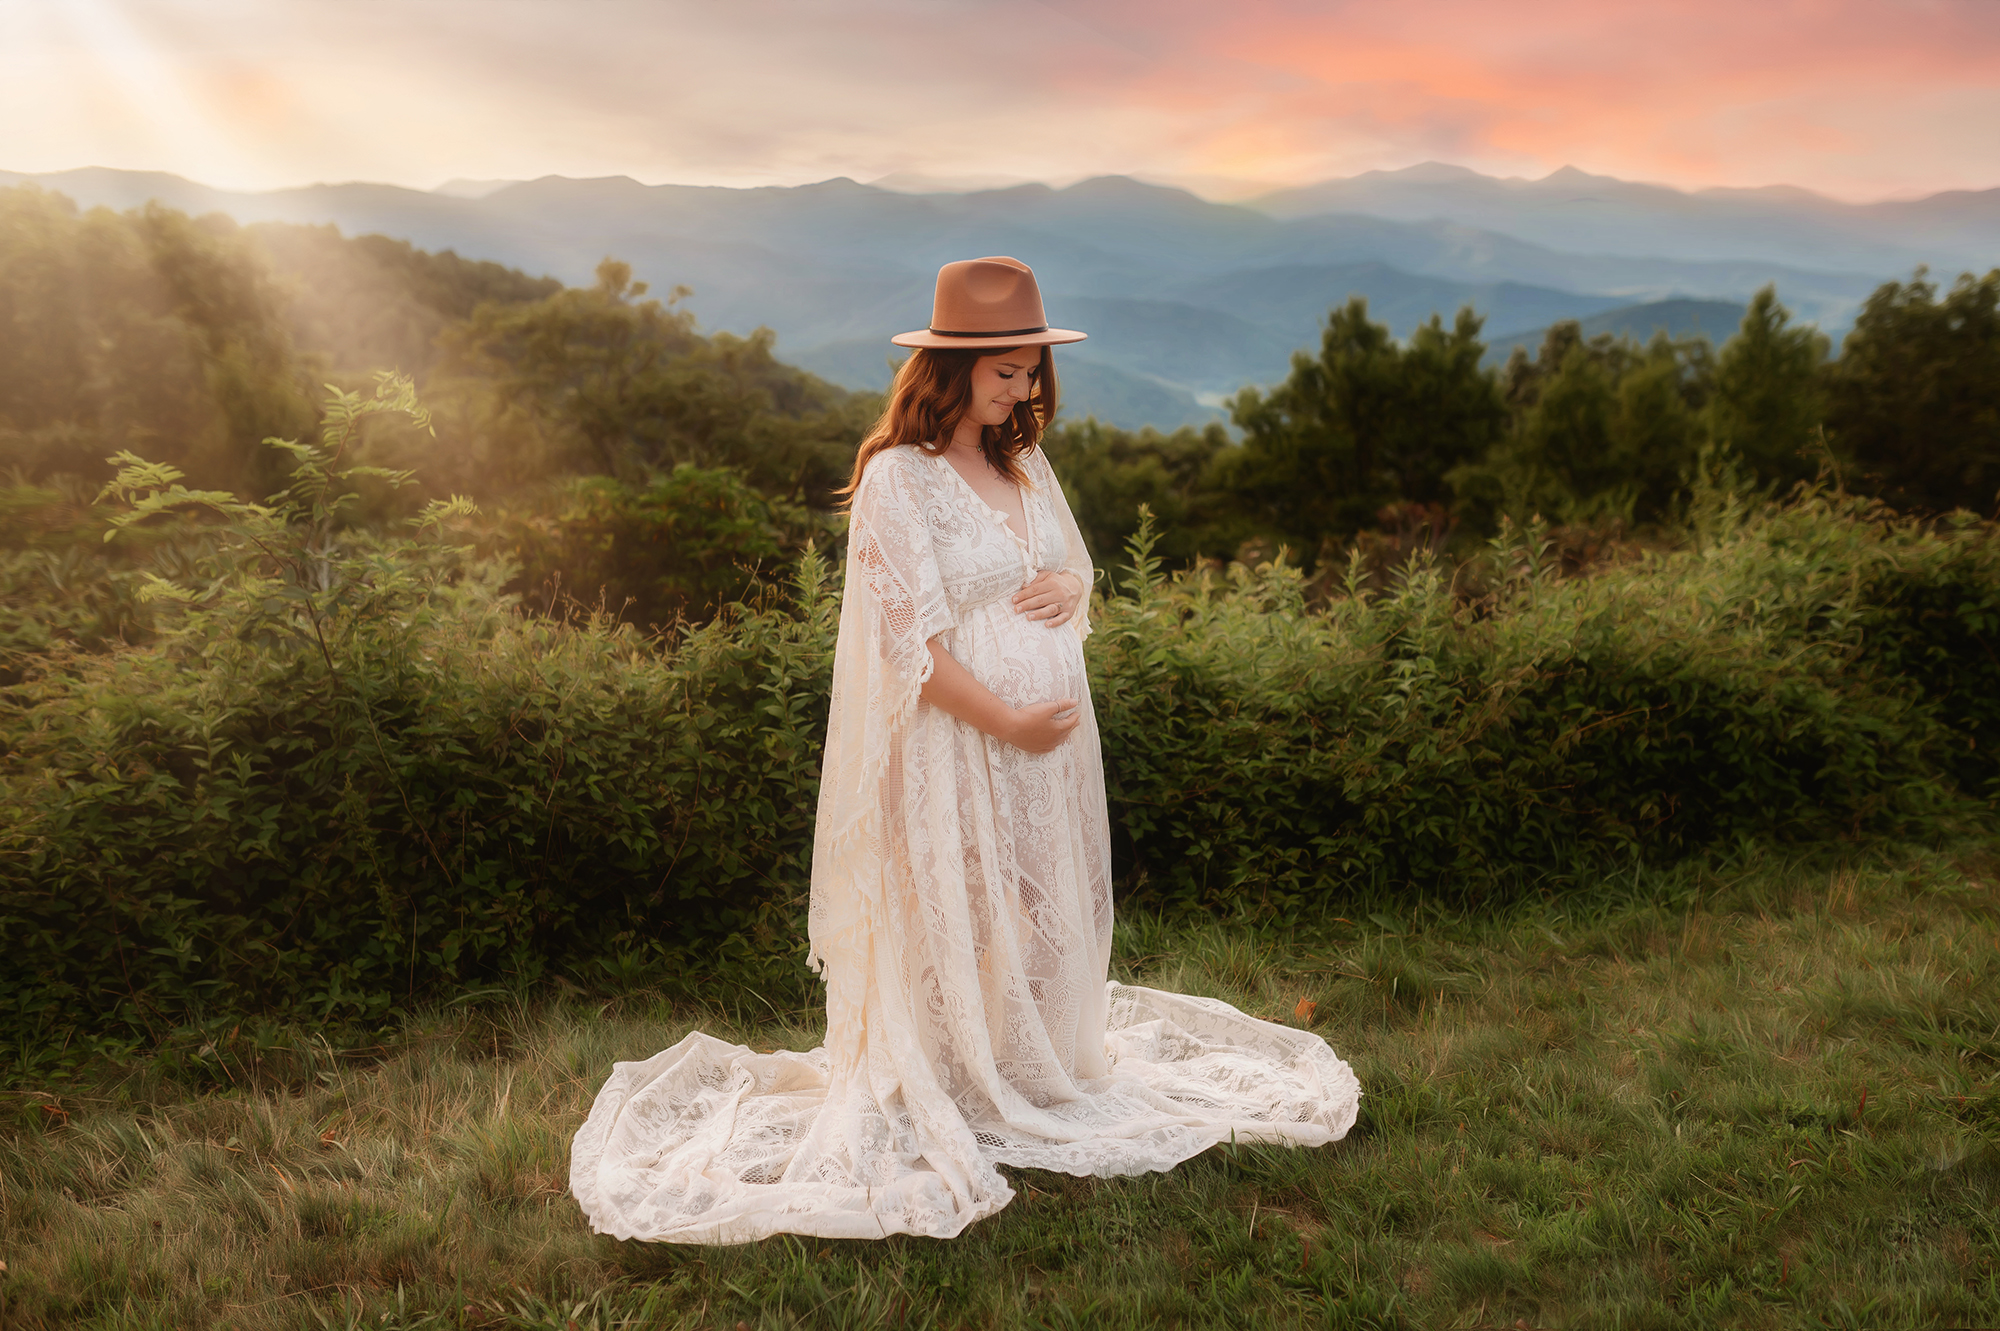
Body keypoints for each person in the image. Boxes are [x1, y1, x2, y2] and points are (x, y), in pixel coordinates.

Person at [570, 257, 1359, 1244]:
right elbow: (908, 651)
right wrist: (1010, 719)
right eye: (1004, 372)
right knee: (965, 899)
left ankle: (1031, 1059)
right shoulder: (900, 480)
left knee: (1037, 904)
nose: (1021, 390)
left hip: (1045, 756)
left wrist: (1071, 594)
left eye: (1029, 371)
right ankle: (958, 1069)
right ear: (949, 370)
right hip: (959, 740)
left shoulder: (1022, 464)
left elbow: (1068, 565)